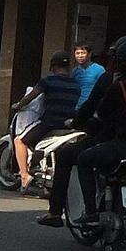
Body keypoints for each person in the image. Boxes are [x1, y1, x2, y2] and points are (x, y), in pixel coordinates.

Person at [38, 35, 126, 229]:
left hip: (116, 143)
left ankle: (77, 212)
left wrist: (78, 122)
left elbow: (99, 111)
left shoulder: (115, 84)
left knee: (73, 157)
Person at [11, 51, 79, 192]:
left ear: (53, 66)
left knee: (19, 141)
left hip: (50, 123)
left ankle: (24, 175)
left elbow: (31, 96)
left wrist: (18, 105)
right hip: (69, 125)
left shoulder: (47, 81)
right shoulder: (76, 85)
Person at [70, 43, 104, 113]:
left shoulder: (99, 69)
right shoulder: (74, 71)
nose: (80, 56)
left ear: (89, 54)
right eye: (77, 53)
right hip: (76, 108)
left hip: (92, 109)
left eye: (83, 53)